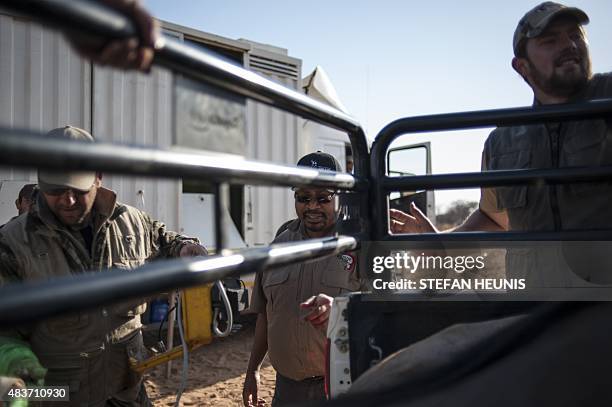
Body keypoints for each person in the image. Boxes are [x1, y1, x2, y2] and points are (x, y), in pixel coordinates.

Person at [390, 2, 612, 284]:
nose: (568, 44)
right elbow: (494, 218)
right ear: (523, 67)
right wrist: (440, 243)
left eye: (575, 35)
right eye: (550, 40)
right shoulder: (503, 140)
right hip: (535, 304)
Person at [0, 126, 207, 406]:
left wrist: (184, 248)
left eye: (77, 187)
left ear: (98, 176)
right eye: (56, 189)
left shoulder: (132, 224)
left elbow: (165, 240)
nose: (68, 199)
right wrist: (15, 364)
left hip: (126, 392)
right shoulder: (12, 243)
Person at [243, 152, 362, 407]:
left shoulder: (359, 244)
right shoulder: (277, 248)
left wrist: (340, 310)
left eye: (323, 198)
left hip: (343, 388)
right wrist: (253, 369)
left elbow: (385, 309)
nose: (312, 206)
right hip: (287, 391)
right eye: (303, 198)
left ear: (340, 196)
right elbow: (266, 314)